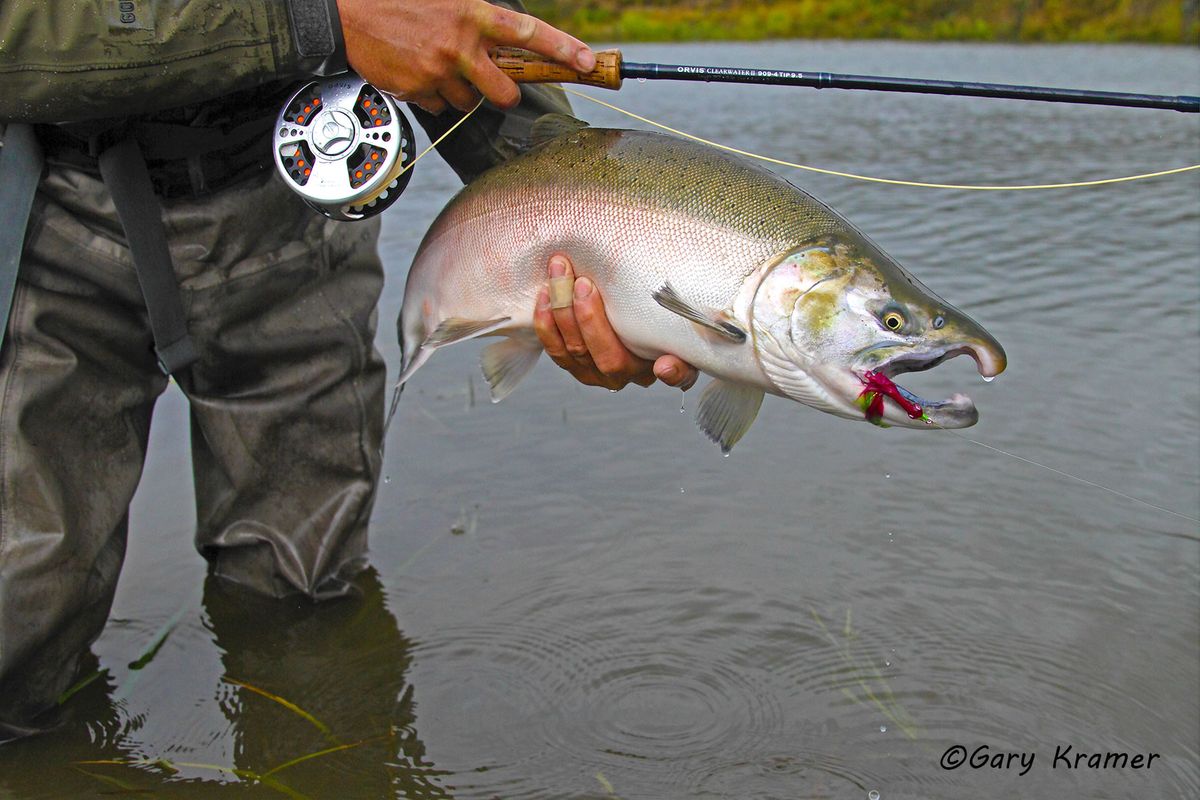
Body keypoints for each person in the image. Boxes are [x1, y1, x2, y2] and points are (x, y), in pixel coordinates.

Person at [0, 0, 697, 740]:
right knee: (18, 618)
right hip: (41, 205)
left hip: (294, 197)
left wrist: (582, 233)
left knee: (306, 611)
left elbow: (441, 22)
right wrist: (318, 24)